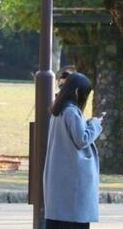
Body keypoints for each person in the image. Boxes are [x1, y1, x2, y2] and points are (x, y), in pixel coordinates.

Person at [43, 72, 104, 229]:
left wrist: (89, 123)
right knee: (74, 220)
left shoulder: (58, 110)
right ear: (77, 92)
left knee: (58, 220)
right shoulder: (71, 111)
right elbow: (82, 139)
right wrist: (96, 124)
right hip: (73, 178)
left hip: (59, 176)